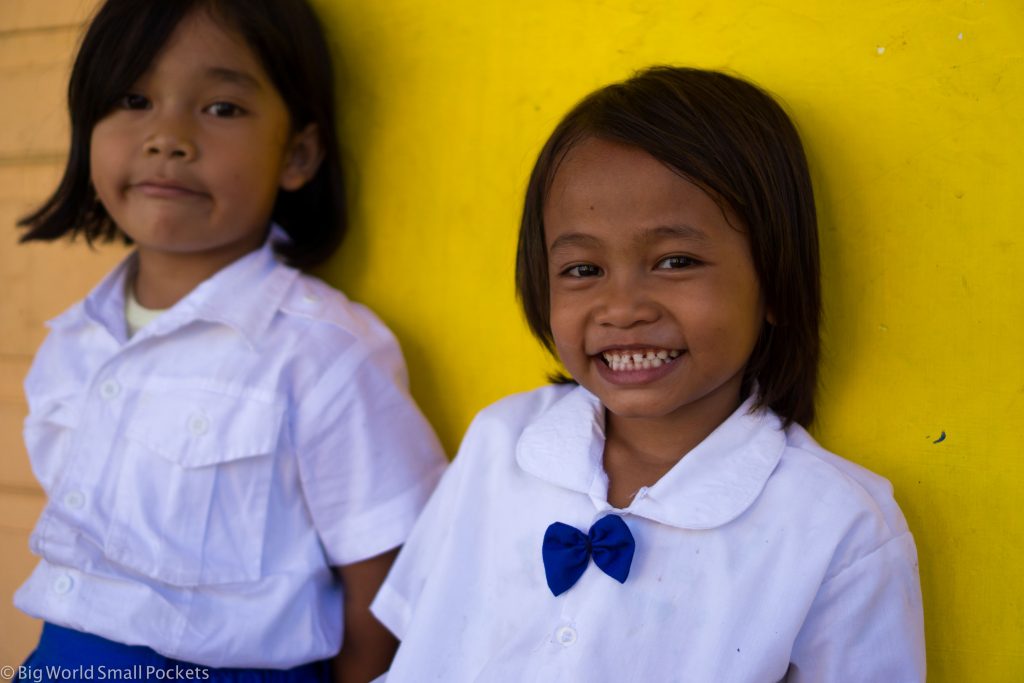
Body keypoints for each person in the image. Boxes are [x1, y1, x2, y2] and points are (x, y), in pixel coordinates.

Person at [370, 67, 926, 681]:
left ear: (774, 280)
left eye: (675, 261)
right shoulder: (500, 441)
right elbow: (417, 639)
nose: (624, 308)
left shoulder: (835, 525)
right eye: (583, 270)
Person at [14, 1, 446, 680]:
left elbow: (388, 583)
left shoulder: (320, 352)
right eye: (134, 99)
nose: (168, 137)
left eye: (221, 108)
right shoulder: (72, 344)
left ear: (297, 153)